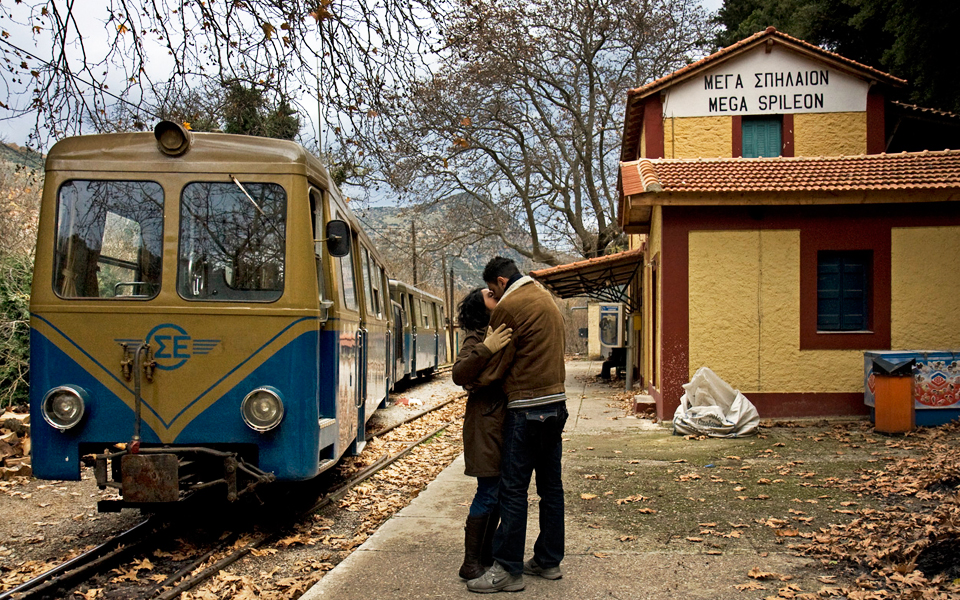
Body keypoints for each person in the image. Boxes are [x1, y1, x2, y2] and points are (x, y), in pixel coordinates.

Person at [467, 257, 568, 594]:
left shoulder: (510, 307)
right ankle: (549, 561)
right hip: (556, 404)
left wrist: (475, 379)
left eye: (493, 289)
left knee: (513, 491)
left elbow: (497, 366)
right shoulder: (544, 296)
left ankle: (508, 569)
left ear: (499, 281)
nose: (494, 296)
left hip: (526, 409)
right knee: (551, 488)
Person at [451, 288, 513, 580]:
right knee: (488, 491)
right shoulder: (477, 337)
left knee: (498, 492)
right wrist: (486, 347)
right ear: (482, 305)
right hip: (485, 424)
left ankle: (485, 555)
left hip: (498, 421)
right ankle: (471, 562)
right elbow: (459, 374)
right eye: (491, 294)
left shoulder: (499, 328)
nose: (497, 295)